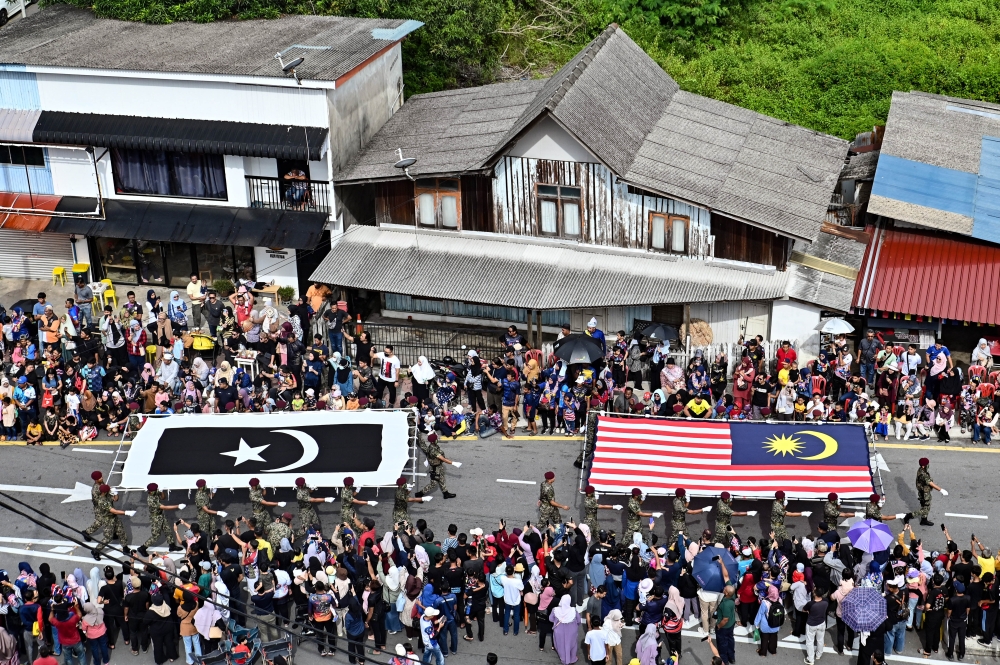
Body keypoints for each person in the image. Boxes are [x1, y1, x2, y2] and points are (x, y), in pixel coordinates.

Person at [904, 458, 947, 526]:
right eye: (927, 464)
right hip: (924, 493)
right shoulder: (923, 474)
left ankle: (924, 520)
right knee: (924, 509)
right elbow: (930, 483)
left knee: (927, 506)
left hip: (925, 491)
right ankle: (908, 516)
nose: (928, 465)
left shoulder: (922, 470)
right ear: (923, 466)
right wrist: (940, 490)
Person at [550, 595, 580, 665]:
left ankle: (564, 659)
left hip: (559, 631)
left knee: (561, 645)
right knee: (572, 644)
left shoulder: (555, 610)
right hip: (572, 631)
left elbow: (551, 618)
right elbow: (578, 620)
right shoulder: (573, 610)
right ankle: (572, 658)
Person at [947, 581, 970, 660]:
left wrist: (948, 616)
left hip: (954, 621)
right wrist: (965, 616)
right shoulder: (967, 598)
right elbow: (968, 609)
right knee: (962, 638)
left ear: (956, 590)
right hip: (962, 621)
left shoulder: (952, 600)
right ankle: (961, 654)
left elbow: (949, 612)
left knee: (952, 638)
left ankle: (950, 654)